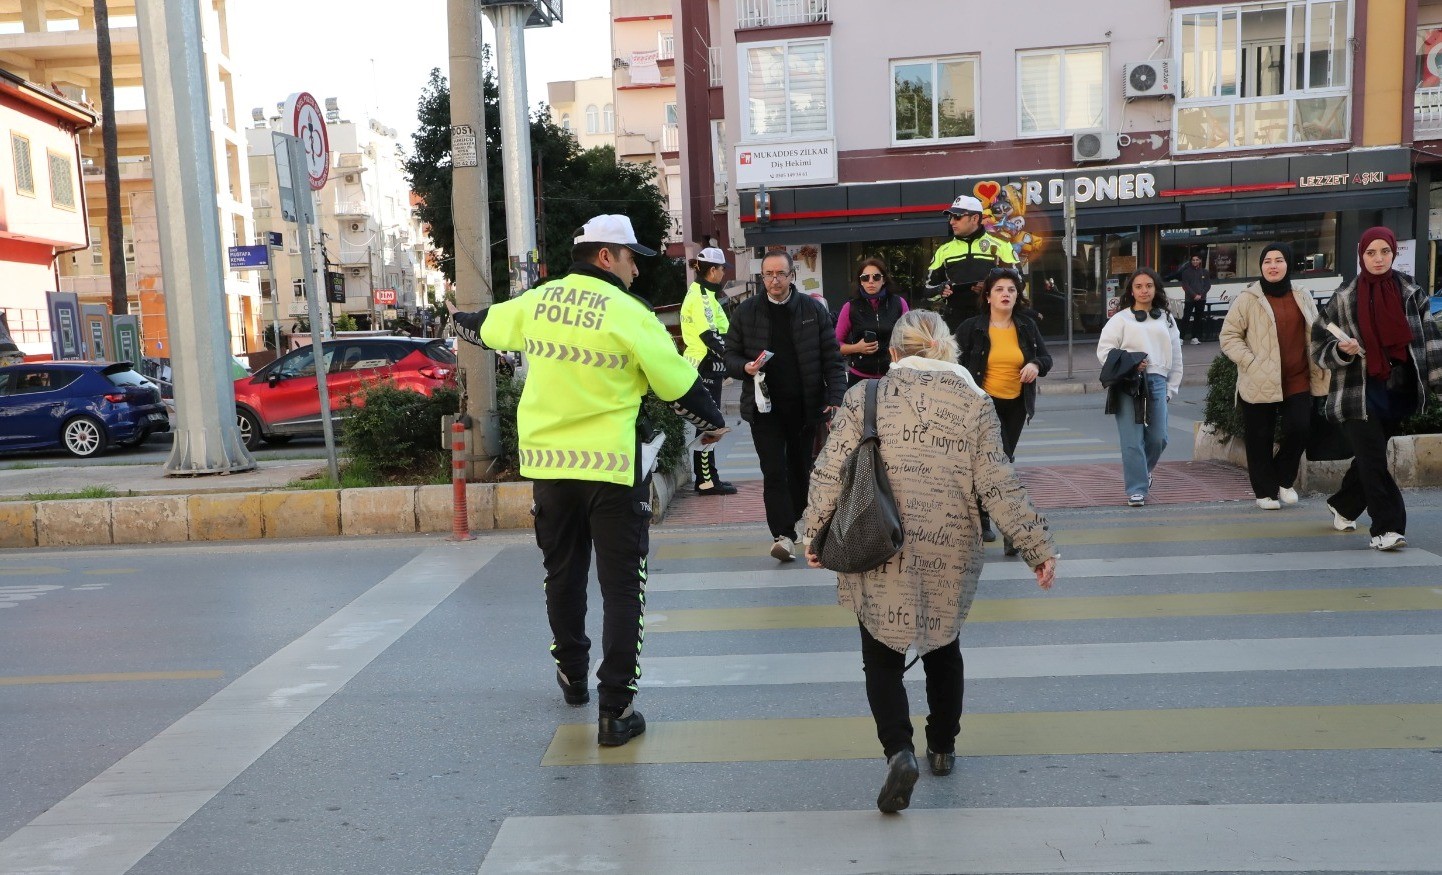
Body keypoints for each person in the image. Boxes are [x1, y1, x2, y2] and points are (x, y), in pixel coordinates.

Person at [448, 214, 726, 747]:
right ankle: (614, 710)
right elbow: (679, 386)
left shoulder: (539, 301)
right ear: (606, 256)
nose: (636, 273)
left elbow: (479, 326)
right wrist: (712, 423)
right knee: (623, 588)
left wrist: (456, 317)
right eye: (631, 260)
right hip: (612, 470)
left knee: (563, 575)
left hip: (550, 469)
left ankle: (573, 676)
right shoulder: (630, 312)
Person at [799, 309, 1059, 814]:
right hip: (949, 542)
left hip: (878, 540)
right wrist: (1036, 547)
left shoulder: (864, 397)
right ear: (946, 350)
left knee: (880, 653)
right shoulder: (975, 402)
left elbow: (829, 471)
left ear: (894, 354)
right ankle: (941, 746)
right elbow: (997, 482)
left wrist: (813, 532)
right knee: (943, 645)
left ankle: (899, 751)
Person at [1311, 226, 1442, 551]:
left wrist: (1438, 383)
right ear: (1362, 256)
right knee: (1373, 461)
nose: (1379, 258)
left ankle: (1344, 504)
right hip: (1358, 390)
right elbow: (1318, 344)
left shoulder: (1412, 293)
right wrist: (1341, 351)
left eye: (1384, 252)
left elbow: (1432, 342)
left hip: (1398, 389)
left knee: (1370, 457)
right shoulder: (1345, 297)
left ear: (1393, 253)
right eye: (1371, 253)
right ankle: (1387, 528)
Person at [724, 249, 846, 562]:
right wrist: (744, 368)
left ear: (791, 276)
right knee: (773, 471)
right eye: (769, 274)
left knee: (799, 469)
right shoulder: (746, 312)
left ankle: (792, 520)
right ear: (761, 277)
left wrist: (835, 399)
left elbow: (832, 357)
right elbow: (730, 356)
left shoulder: (812, 310)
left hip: (805, 407)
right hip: (764, 409)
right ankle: (782, 534)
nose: (775, 280)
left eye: (781, 273)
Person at [1219, 243, 1328, 510]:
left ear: (1288, 264)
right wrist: (1250, 362)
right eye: (1268, 261)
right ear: (1261, 266)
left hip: (1298, 376)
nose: (1273, 265)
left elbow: (1316, 331)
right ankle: (1265, 492)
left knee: (1301, 428)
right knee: (1259, 438)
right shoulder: (1248, 298)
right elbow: (1229, 336)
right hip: (1259, 378)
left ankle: (1283, 478)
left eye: (1279, 260)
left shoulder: (1302, 295)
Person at [956, 267, 1053, 552]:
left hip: (1016, 405)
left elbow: (1045, 358)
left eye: (1011, 290)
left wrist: (1035, 365)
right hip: (983, 405)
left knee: (999, 463)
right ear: (988, 296)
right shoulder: (971, 327)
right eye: (999, 289)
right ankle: (1007, 526)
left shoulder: (1026, 326)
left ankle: (991, 518)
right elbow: (953, 363)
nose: (1006, 294)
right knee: (1001, 465)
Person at [1097, 267, 1183, 507]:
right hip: (1128, 382)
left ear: (1156, 289)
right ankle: (1137, 489)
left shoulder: (1166, 318)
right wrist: (1131, 362)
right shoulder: (1120, 319)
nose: (1144, 290)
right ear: (1131, 291)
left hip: (1157, 380)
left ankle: (1143, 472)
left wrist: (1171, 387)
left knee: (1159, 438)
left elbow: (1176, 355)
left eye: (1148, 286)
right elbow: (1104, 351)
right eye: (1138, 286)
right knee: (1132, 439)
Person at [680, 246, 737, 496]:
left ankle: (707, 477)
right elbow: (710, 336)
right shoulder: (701, 296)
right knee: (709, 424)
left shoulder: (705, 294)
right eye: (723, 268)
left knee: (707, 423)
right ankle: (705, 480)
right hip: (704, 366)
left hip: (706, 366)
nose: (724, 273)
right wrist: (734, 360)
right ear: (712, 270)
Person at [925, 195, 1019, 333]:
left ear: (975, 218)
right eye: (950, 217)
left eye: (957, 217)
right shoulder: (943, 249)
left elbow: (1020, 284)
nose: (951, 222)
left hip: (992, 318)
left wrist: (990, 289)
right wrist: (941, 290)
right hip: (955, 322)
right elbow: (927, 290)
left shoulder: (1002, 245)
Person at [836, 257, 910, 387]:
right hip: (859, 377)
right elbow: (835, 345)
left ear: (884, 280)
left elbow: (911, 338)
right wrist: (856, 348)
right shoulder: (850, 307)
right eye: (865, 277)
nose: (871, 281)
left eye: (876, 277)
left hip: (893, 375)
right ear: (861, 281)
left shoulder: (899, 303)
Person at [1165, 254, 1212, 345]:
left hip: (1201, 299)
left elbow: (1208, 285)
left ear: (1200, 261)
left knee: (1198, 318)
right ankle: (1181, 338)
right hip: (1190, 299)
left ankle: (1195, 338)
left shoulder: (1205, 272)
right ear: (1191, 261)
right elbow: (1185, 286)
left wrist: (1201, 295)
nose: (1195, 261)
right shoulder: (1186, 272)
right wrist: (1194, 295)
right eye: (1193, 260)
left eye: (1197, 260)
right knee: (1186, 318)